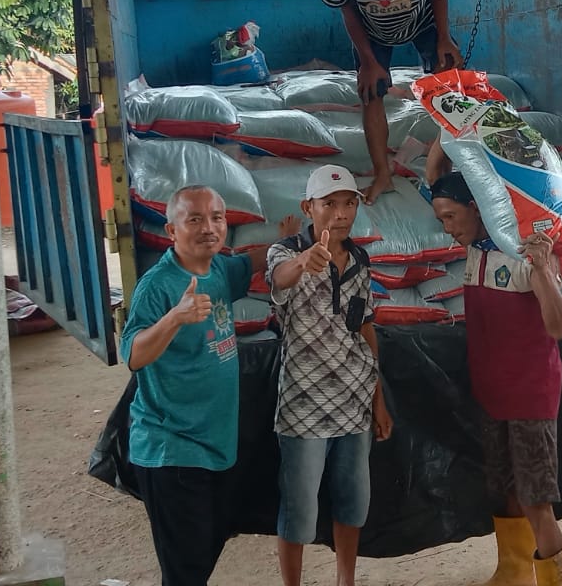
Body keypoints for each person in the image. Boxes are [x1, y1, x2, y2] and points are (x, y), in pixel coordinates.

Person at [120, 186, 272, 586]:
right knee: (186, 570)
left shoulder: (219, 268)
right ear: (171, 230)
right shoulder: (160, 286)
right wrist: (174, 318)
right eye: (195, 219)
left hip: (215, 443)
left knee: (200, 556)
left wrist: (290, 246)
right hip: (173, 449)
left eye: (217, 217)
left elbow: (250, 262)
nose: (209, 227)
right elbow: (133, 355)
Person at [430, 171, 562, 586]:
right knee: (505, 490)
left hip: (530, 396)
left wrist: (542, 270)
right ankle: (514, 571)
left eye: (452, 217)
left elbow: (559, 325)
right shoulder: (476, 254)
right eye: (441, 220)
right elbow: (435, 171)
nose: (449, 228)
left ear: (476, 208)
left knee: (536, 499)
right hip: (492, 394)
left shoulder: (522, 255)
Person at [266, 165, 394, 586]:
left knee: (351, 504)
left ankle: (346, 581)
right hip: (303, 409)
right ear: (309, 207)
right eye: (330, 204)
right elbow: (280, 279)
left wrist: (378, 400)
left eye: (349, 203)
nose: (341, 214)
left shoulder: (359, 260)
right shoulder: (285, 253)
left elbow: (365, 327)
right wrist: (305, 261)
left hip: (354, 407)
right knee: (299, 511)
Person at [321, 0, 462, 204]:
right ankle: (382, 175)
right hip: (369, 28)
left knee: (450, 85)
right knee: (370, 93)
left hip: (423, 19)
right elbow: (346, 6)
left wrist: (444, 38)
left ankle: (443, 169)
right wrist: (368, 61)